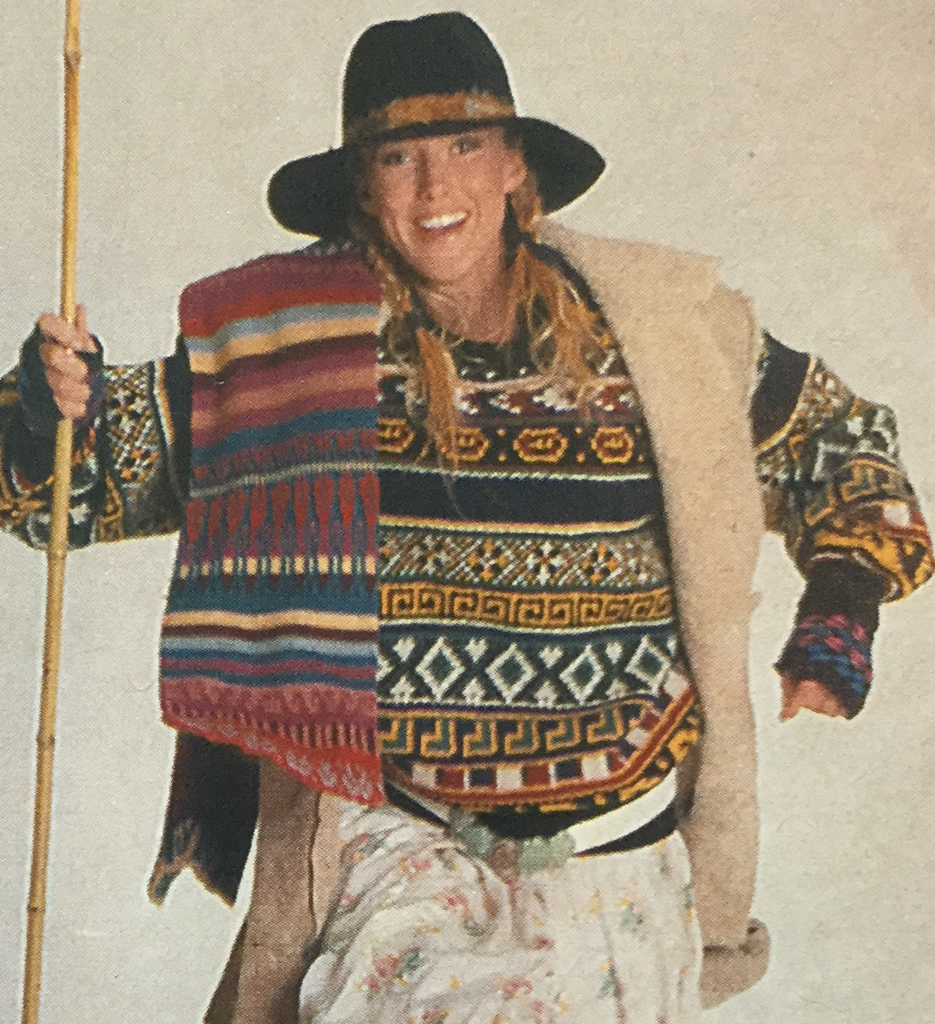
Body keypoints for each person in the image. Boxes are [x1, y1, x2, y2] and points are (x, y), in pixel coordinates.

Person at [1, 11, 932, 1024]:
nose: (433, 187)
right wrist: (49, 410)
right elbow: (72, 483)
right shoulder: (290, 352)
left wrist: (841, 607)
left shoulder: (662, 324)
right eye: (397, 157)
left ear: (514, 165)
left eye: (463, 145)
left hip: (614, 869)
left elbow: (838, 441)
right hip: (399, 857)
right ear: (363, 186)